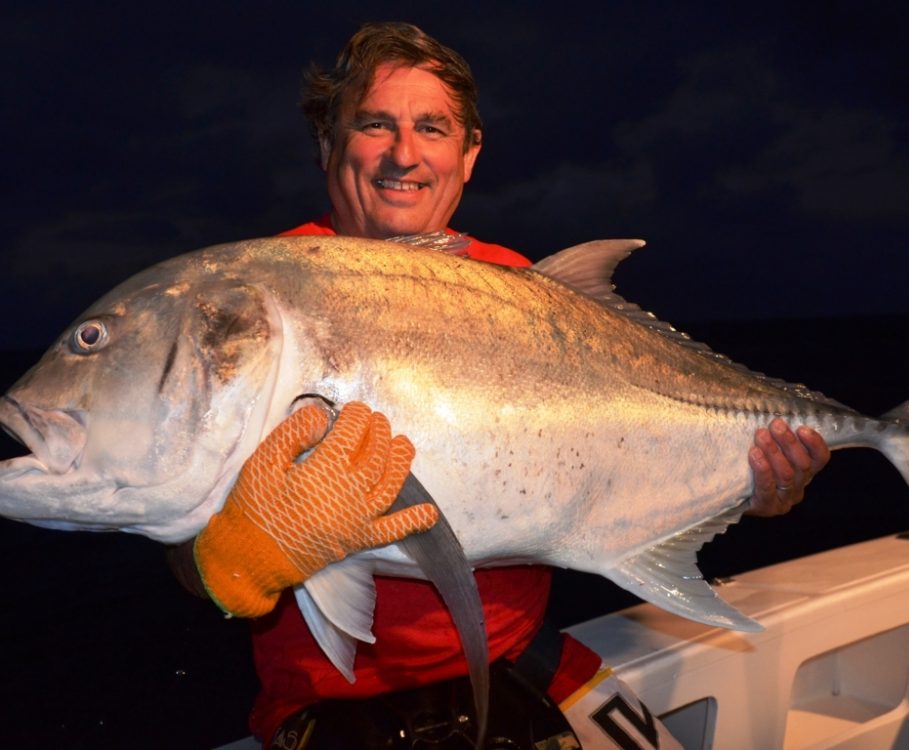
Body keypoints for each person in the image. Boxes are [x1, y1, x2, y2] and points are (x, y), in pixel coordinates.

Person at [169, 21, 830, 748]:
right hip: (336, 707)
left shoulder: (521, 286)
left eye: (432, 127)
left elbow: (626, 440)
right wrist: (221, 562)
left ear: (469, 154)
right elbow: (173, 522)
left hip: (521, 667)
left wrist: (755, 479)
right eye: (374, 124)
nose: (404, 153)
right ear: (329, 144)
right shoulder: (258, 298)